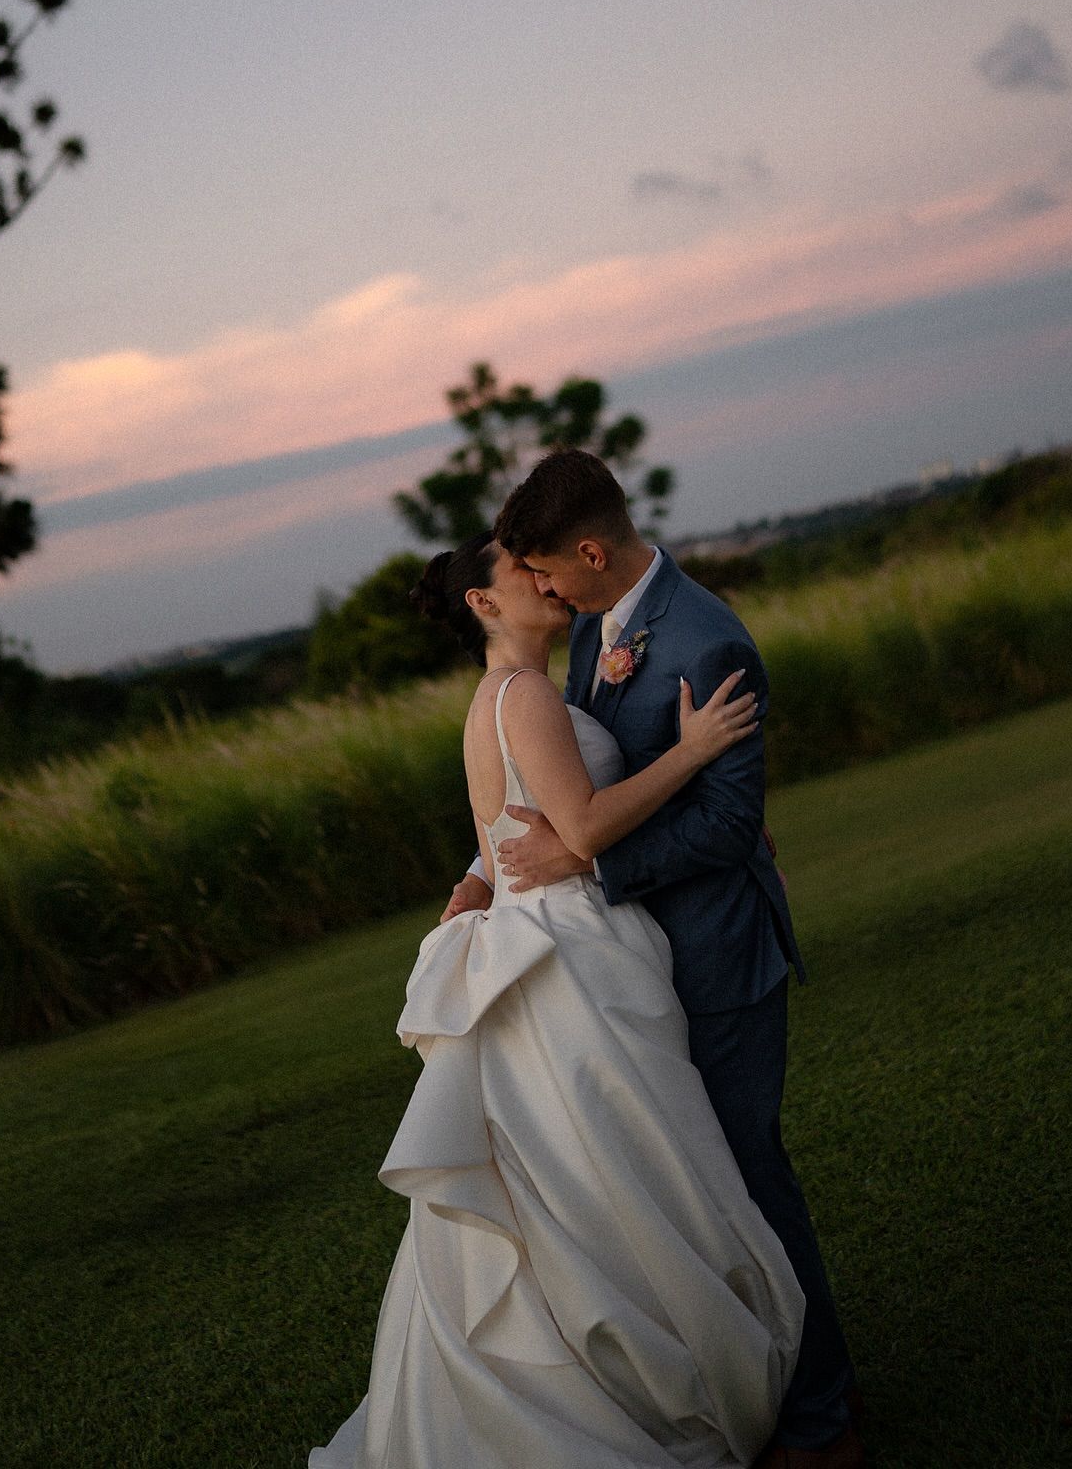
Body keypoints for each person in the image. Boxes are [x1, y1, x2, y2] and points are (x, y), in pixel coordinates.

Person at [309, 524, 807, 1469]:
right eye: (518, 570)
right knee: (627, 1172)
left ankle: (623, 1365)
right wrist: (695, 750)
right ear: (484, 605)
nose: (541, 577)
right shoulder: (526, 691)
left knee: (600, 1180)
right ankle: (646, 1388)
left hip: (549, 935)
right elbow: (579, 829)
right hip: (571, 948)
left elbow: (510, 832)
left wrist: (484, 878)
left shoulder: (509, 693)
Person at [478, 448, 862, 1469]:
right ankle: (748, 1388)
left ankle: (825, 1427)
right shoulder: (597, 632)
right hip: (640, 969)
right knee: (693, 1200)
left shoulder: (706, 637)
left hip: (721, 960)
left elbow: (733, 826)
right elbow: (570, 778)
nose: (543, 592)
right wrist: (493, 874)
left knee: (752, 1191)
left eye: (548, 572)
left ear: (591, 552)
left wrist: (587, 865)